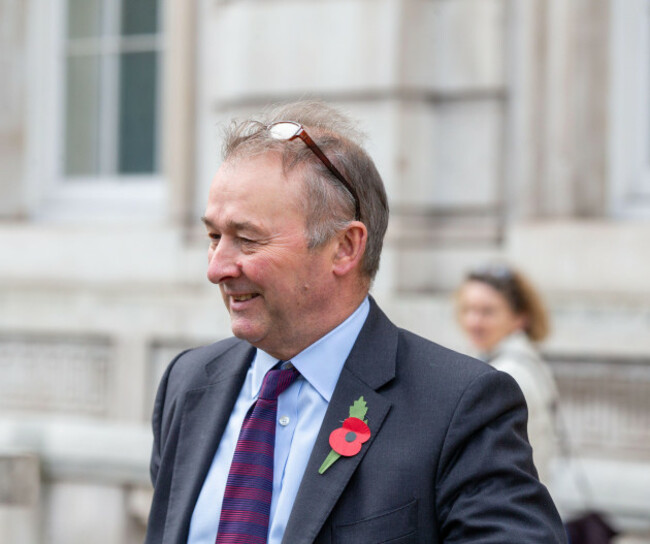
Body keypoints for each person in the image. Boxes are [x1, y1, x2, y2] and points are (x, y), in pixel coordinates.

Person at [145, 101, 566, 543]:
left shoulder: (460, 406)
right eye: (214, 237)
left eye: (247, 239)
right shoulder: (188, 383)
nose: (217, 268)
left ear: (345, 247)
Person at [456, 264, 560, 486]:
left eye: (487, 311)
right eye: (467, 310)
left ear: (519, 318)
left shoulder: (505, 374)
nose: (474, 322)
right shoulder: (525, 361)